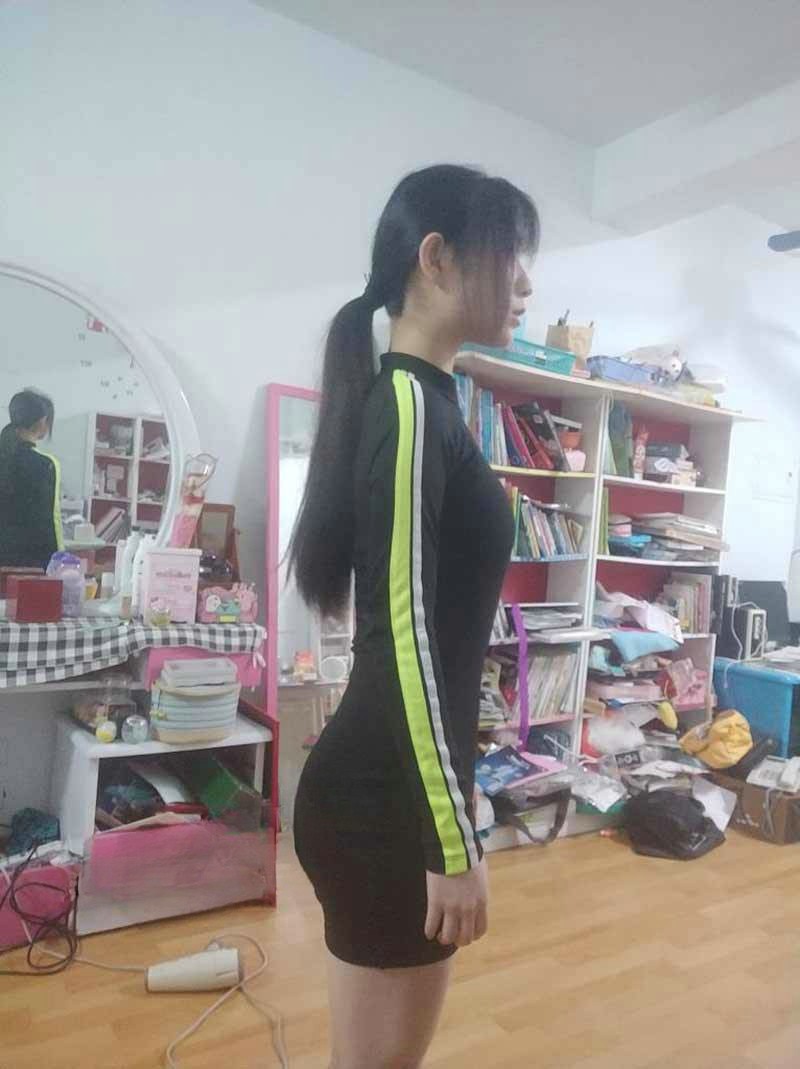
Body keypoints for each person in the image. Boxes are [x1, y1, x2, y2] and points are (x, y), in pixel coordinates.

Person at [289, 164, 539, 1068]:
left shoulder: (430, 400)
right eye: (509, 256)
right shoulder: (406, 403)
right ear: (437, 259)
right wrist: (451, 838)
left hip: (398, 794)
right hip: (379, 805)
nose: (525, 283)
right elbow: (405, 637)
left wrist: (457, 803)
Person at [0, 389, 63, 569]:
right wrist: (58, 562)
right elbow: (52, 520)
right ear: (42, 421)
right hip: (31, 565)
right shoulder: (47, 464)